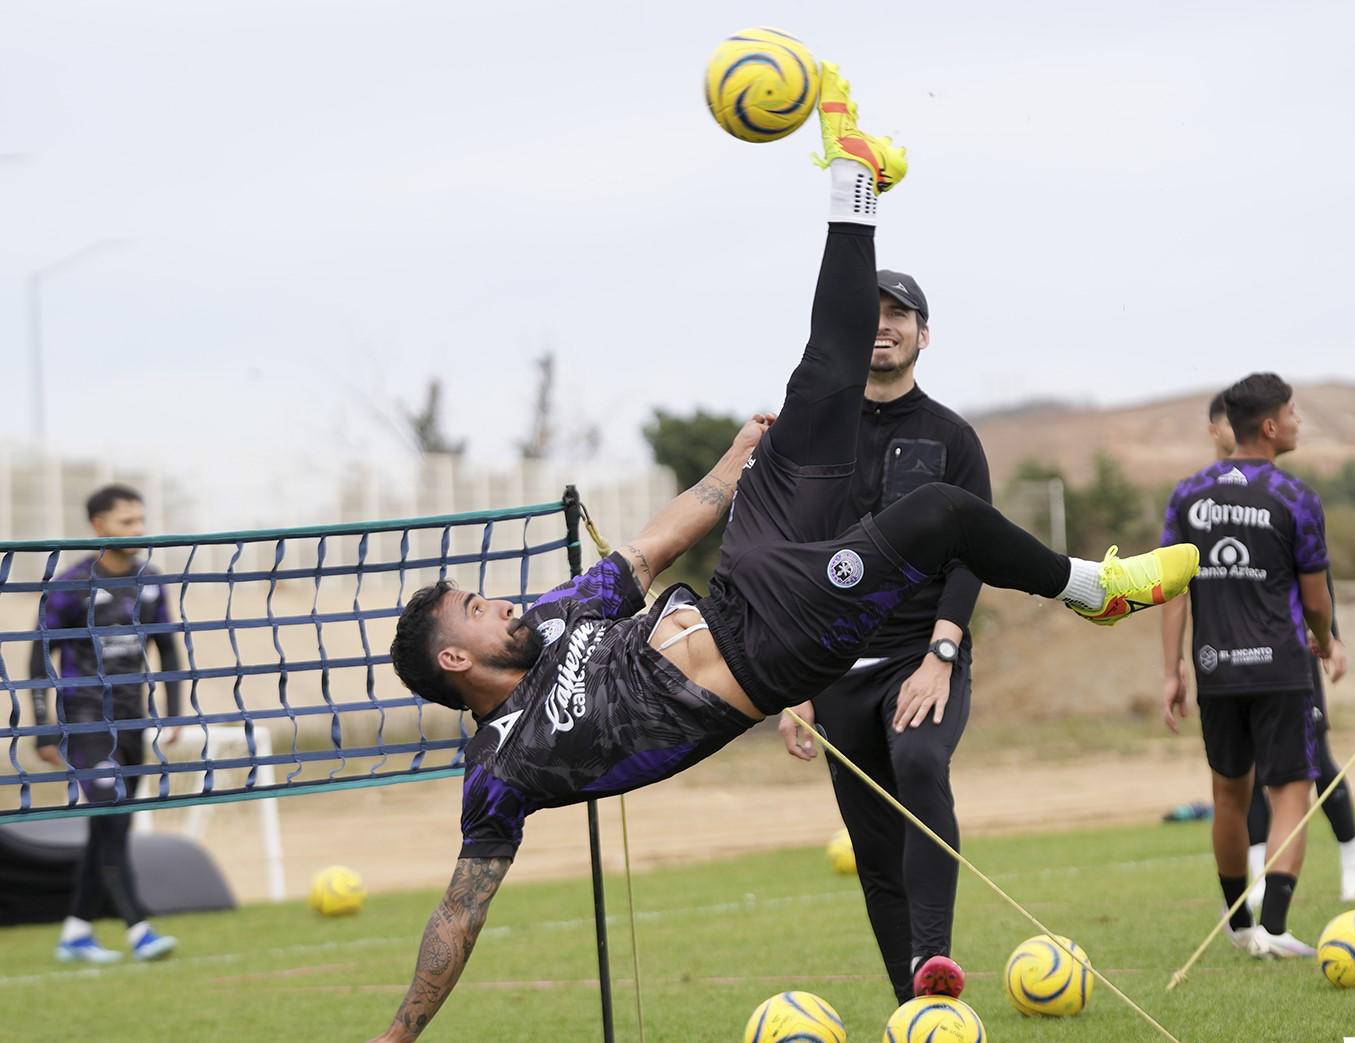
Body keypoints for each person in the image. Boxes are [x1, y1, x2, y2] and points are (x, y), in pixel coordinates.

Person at [370, 65, 1199, 1042]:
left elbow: (649, 548)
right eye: (477, 609)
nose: (501, 603)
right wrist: (400, 1032)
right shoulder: (498, 773)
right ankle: (1094, 588)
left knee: (819, 378)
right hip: (776, 646)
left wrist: (732, 468)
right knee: (938, 512)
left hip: (743, 576)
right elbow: (457, 912)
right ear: (453, 657)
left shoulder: (552, 619)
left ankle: (853, 180)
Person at [777, 268, 989, 1003]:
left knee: (921, 760)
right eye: (870, 312)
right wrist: (797, 685)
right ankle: (916, 1008)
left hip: (920, 657)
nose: (883, 324)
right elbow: (794, 563)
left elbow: (972, 558)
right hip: (835, 668)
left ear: (923, 334)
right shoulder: (814, 438)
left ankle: (933, 959)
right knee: (873, 847)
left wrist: (940, 655)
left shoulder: (954, 439)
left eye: (899, 313)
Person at [1159, 374, 1335, 959]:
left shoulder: (1187, 495)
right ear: (1270, 425)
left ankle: (1239, 925)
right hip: (1280, 669)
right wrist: (1325, 640)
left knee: (1228, 796)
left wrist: (1172, 671)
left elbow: (1170, 590)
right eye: (1293, 412)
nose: (1298, 422)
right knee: (1290, 793)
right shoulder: (1295, 497)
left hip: (1215, 671)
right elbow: (1315, 599)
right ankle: (1276, 929)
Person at [1181, 394, 1355, 913]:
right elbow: (1181, 586)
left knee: (1314, 763)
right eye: (1225, 425)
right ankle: (1258, 886)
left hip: (1287, 656)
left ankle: (1352, 858)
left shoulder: (1282, 495)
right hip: (1225, 663)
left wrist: (1332, 638)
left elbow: (1314, 579)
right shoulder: (1199, 499)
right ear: (1216, 431)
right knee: (1244, 780)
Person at [30, 484, 181, 964]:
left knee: (111, 826)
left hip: (133, 719)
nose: (138, 530)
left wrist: (176, 709)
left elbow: (168, 647)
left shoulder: (150, 581)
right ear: (99, 526)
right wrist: (44, 729)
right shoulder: (70, 586)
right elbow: (39, 655)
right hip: (86, 723)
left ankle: (75, 932)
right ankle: (139, 928)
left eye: (140, 520)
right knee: (111, 816)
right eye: (127, 522)